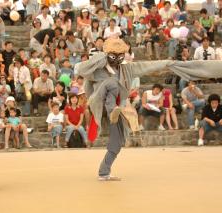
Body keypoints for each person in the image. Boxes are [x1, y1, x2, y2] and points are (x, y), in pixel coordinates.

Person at [77, 37, 222, 181]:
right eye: (113, 56)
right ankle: (112, 110)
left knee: (117, 142)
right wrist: (100, 58)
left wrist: (168, 63)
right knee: (112, 83)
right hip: (100, 104)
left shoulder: (127, 68)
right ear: (107, 55)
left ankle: (104, 171)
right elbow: (80, 69)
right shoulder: (97, 67)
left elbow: (148, 66)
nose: (117, 60)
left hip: (118, 110)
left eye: (120, 56)